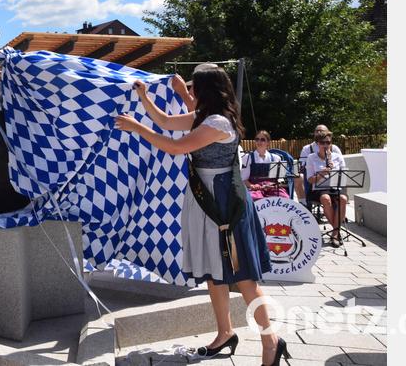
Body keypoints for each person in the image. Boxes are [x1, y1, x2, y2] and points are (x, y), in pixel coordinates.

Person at [114, 64, 289, 366]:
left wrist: (137, 127)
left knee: (244, 278)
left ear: (207, 90)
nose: (191, 89)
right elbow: (167, 121)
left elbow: (175, 146)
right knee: (214, 273)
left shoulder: (218, 123)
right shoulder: (205, 117)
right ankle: (225, 333)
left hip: (223, 204)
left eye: (195, 85)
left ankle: (271, 340)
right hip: (206, 198)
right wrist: (144, 98)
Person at [305, 130, 348, 248]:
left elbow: (344, 176)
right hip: (319, 188)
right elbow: (309, 180)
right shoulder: (311, 158)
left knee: (343, 198)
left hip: (336, 186)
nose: (325, 145)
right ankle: (336, 232)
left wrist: (335, 171)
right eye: (323, 143)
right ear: (317, 143)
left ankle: (335, 232)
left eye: (328, 142)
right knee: (325, 198)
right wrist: (322, 173)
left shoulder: (337, 157)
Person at [295, 124, 342, 202]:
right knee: (300, 177)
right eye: (317, 131)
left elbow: (341, 166)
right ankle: (304, 203)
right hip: (313, 176)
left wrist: (331, 165)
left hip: (332, 179)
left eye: (321, 131)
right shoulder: (307, 148)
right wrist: (317, 166)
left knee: (341, 198)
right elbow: (302, 165)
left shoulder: (334, 148)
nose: (319, 132)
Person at [241, 130, 287, 199]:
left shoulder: (276, 158)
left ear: (268, 143)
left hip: (272, 188)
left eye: (262, 139)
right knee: (254, 198)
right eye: (257, 139)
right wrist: (252, 186)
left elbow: (280, 179)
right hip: (255, 189)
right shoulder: (247, 157)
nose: (259, 142)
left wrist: (273, 185)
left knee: (283, 197)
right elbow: (244, 179)